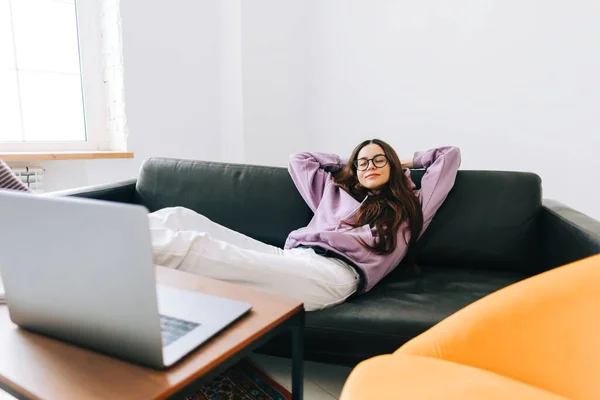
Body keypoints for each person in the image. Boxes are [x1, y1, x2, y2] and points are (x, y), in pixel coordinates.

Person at [150, 139, 461, 311]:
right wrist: (347, 166)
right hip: (293, 258)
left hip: (333, 275)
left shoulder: (412, 204)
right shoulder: (333, 192)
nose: (370, 166)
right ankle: (119, 241)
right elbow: (300, 160)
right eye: (363, 161)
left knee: (198, 248)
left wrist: (405, 161)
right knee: (178, 216)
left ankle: (113, 254)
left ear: (392, 165)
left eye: (379, 160)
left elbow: (449, 156)